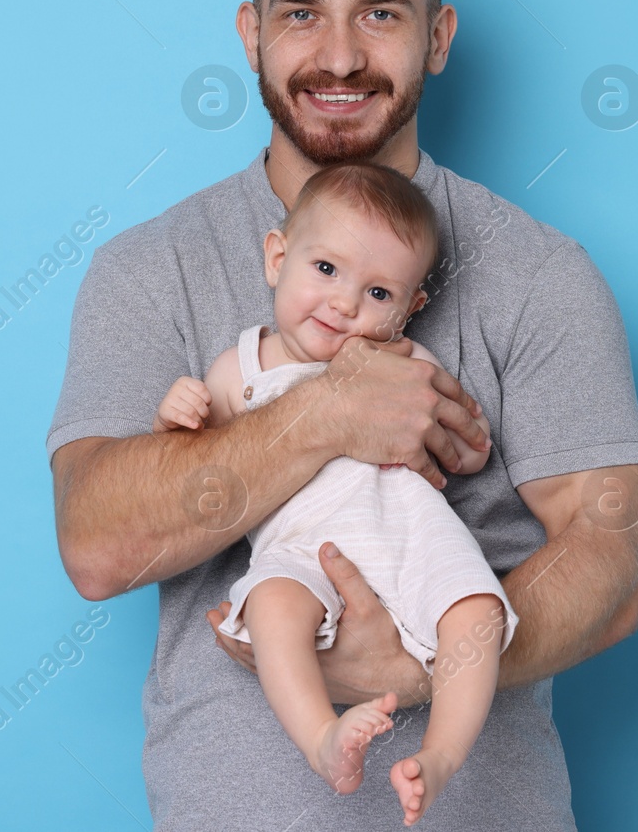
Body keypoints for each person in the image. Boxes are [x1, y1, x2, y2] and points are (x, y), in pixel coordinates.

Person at [48, 0, 638, 830]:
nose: (339, 56)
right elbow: (94, 540)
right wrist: (326, 411)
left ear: (439, 37)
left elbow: (611, 565)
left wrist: (415, 665)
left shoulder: (541, 273)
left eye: (379, 14)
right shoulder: (148, 269)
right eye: (301, 15)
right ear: (251, 33)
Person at [154, 161, 519, 823]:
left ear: (412, 309)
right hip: (303, 542)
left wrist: (468, 443)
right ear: (277, 256)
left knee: (477, 613)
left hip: (407, 528)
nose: (346, 302)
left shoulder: (405, 361)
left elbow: (461, 441)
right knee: (270, 603)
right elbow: (198, 469)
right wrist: (177, 414)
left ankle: (439, 754)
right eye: (326, 270)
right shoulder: (239, 368)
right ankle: (321, 735)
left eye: (378, 292)